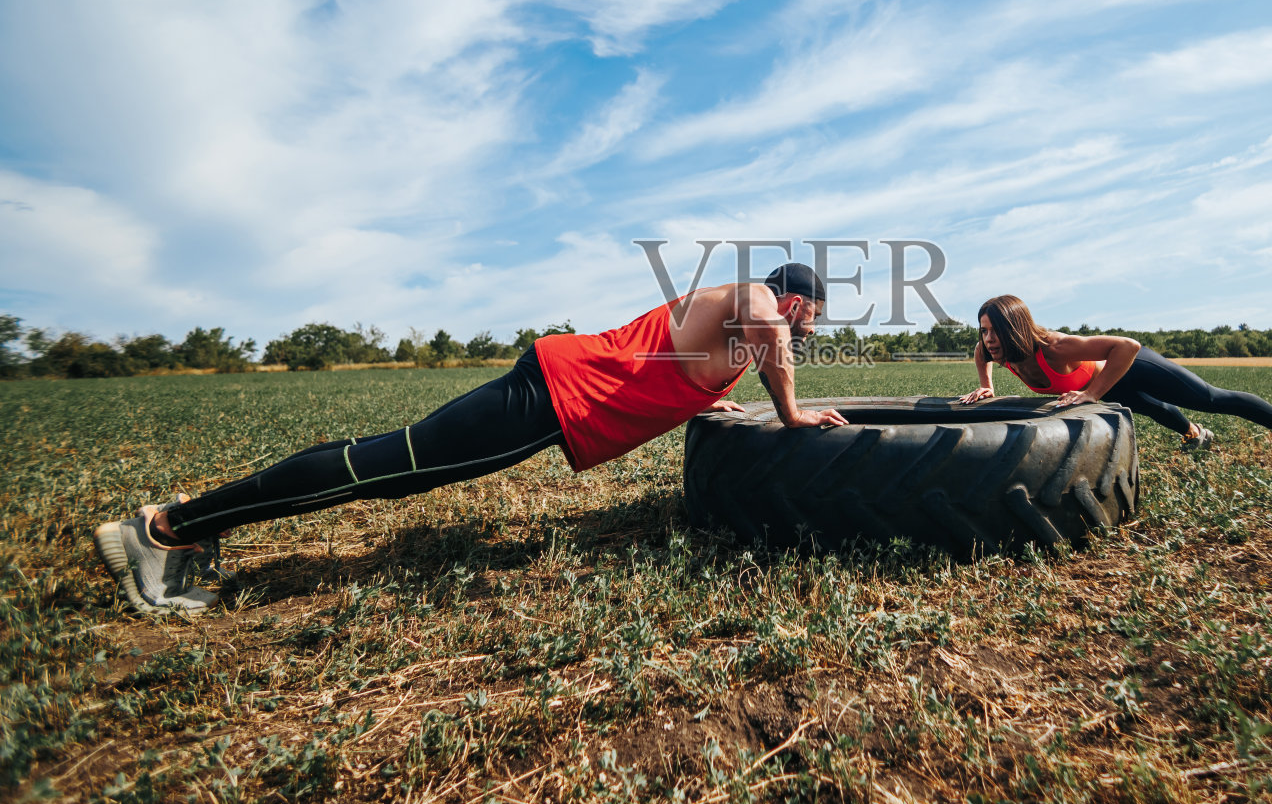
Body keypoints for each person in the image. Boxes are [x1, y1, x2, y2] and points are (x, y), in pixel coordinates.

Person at [94, 264, 848, 616]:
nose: (807, 332)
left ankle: (194, 518)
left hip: (553, 397)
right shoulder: (752, 299)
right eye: (810, 317)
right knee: (380, 467)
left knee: (388, 463)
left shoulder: (735, 343)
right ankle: (166, 529)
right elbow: (769, 328)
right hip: (552, 394)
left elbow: (700, 377)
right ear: (793, 299)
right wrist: (790, 415)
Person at [957, 294, 1272, 467]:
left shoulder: (1054, 347)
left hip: (1134, 365)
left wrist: (1090, 393)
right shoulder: (993, 351)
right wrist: (986, 384)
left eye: (993, 331)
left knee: (1212, 399)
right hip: (1108, 384)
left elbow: (1126, 346)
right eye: (983, 330)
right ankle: (1196, 436)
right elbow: (979, 353)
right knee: (1151, 409)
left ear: (1014, 328)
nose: (987, 338)